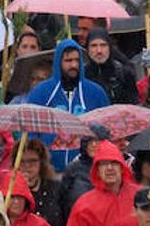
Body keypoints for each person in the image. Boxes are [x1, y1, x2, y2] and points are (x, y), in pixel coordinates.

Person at [26, 40, 110, 169]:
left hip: (86, 172)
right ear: (58, 62)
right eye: (68, 61)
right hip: (48, 171)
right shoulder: (41, 92)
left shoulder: (96, 93)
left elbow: (105, 131)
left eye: (77, 60)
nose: (73, 65)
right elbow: (30, 133)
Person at [63, 140, 140, 226]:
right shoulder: (84, 205)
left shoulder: (139, 196)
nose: (109, 168)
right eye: (104, 164)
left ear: (122, 167)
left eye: (114, 163)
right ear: (97, 171)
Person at [82, 28, 136, 104]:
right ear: (87, 49)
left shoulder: (124, 73)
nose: (99, 51)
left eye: (103, 45)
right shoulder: (82, 75)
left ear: (109, 47)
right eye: (94, 46)